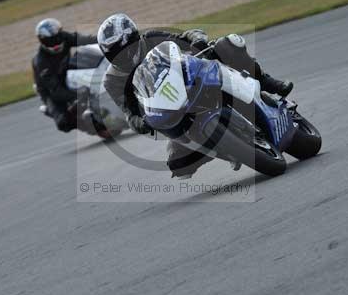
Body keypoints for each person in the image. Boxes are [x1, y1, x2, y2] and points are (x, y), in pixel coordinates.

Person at [98, 13, 293, 178]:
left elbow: (185, 36)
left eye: (126, 48)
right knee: (178, 164)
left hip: (194, 81)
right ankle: (224, 147)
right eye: (115, 53)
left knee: (227, 44)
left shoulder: (152, 38)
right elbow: (129, 112)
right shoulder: (112, 81)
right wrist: (141, 123)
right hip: (171, 114)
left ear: (135, 38)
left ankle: (267, 82)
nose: (123, 55)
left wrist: (197, 40)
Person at [32, 18, 102, 134]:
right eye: (51, 40)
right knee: (63, 123)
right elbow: (56, 91)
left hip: (66, 73)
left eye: (57, 36)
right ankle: (84, 123)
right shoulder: (41, 62)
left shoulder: (64, 38)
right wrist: (78, 95)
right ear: (43, 41)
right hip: (50, 90)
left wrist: (104, 40)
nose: (56, 41)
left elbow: (85, 39)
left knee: (85, 56)